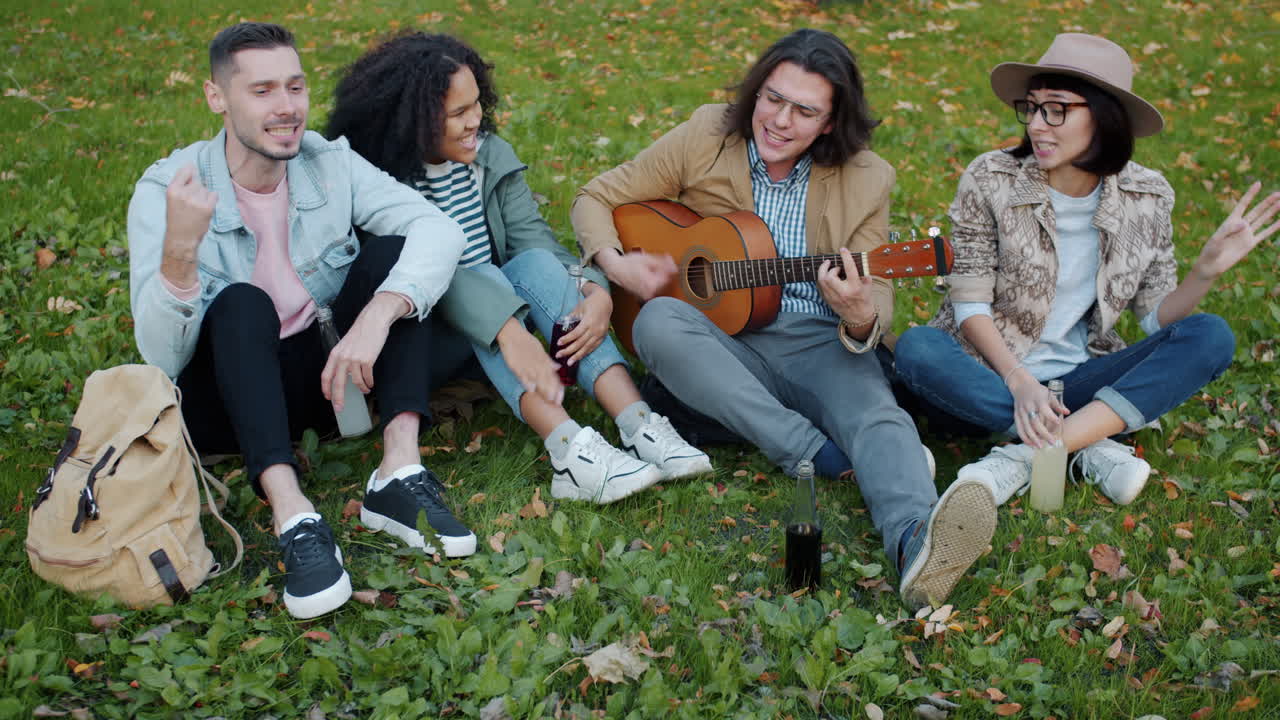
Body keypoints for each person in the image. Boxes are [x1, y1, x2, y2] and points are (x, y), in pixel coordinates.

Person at [571, 28, 997, 611]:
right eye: (772, 98)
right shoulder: (706, 134)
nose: (779, 120)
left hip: (817, 337)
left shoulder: (869, 177)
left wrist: (858, 314)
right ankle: (814, 451)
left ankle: (916, 546)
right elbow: (594, 197)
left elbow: (879, 297)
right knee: (656, 323)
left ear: (829, 123)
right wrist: (616, 268)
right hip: (716, 338)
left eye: (804, 111)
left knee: (879, 416)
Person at [127, 23, 479, 620]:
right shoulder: (169, 189)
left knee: (395, 261)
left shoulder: (328, 163)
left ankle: (398, 471)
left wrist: (377, 316)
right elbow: (160, 360)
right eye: (262, 91)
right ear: (218, 98)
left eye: (295, 86)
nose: (286, 107)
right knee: (241, 302)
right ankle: (294, 516)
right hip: (228, 402)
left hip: (330, 385)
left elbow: (438, 229)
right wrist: (179, 257)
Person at [893, 33, 1279, 507]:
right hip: (988, 374)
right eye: (1032, 108)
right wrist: (1019, 382)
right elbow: (969, 298)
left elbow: (1157, 317)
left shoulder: (1148, 196)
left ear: (1103, 115)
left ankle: (1024, 458)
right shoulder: (991, 177)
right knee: (918, 348)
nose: (1037, 125)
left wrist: (1205, 272)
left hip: (1081, 377)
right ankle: (1088, 444)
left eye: (1056, 110)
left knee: (1211, 336)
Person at [325, 33, 711, 505]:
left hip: (505, 326)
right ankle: (570, 453)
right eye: (457, 114)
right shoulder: (377, 182)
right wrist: (509, 327)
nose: (475, 122)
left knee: (532, 262)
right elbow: (427, 279)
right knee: (478, 274)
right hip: (421, 341)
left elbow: (537, 245)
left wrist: (596, 292)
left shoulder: (489, 156)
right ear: (412, 120)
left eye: (477, 105)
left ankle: (639, 423)